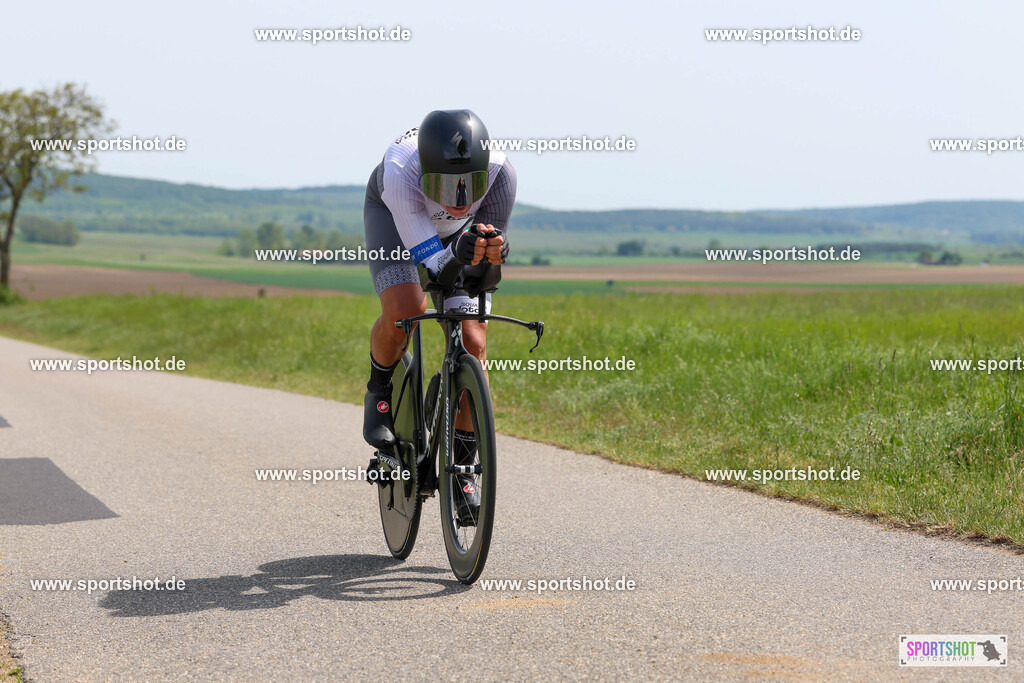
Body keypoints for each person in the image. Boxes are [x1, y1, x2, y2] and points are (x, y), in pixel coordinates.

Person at [361, 109, 517, 521]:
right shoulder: (400, 172)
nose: (460, 197)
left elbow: (481, 271)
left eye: (470, 184)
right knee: (407, 310)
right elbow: (434, 266)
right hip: (396, 222)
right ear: (426, 174)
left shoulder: (502, 173)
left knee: (474, 343)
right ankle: (378, 390)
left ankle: (463, 471)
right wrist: (459, 256)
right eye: (446, 185)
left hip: (455, 239)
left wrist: (492, 257)